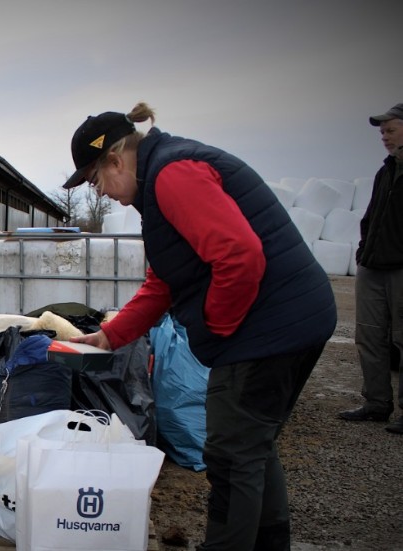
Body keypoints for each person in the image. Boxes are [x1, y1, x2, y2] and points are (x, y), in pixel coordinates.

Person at [65, 103, 336, 551]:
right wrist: (111, 335)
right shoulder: (159, 180)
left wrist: (215, 329)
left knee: (231, 457)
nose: (102, 193)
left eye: (96, 181)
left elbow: (239, 255)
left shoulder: (173, 174)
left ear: (115, 160)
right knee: (253, 447)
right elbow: (164, 282)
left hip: (271, 327)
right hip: (290, 320)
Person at [337, 102, 403, 434]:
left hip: (400, 268)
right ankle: (377, 403)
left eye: (390, 130)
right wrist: (364, 252)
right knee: (370, 336)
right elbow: (371, 216)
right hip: (373, 265)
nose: (384, 137)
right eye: (382, 132)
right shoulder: (385, 170)